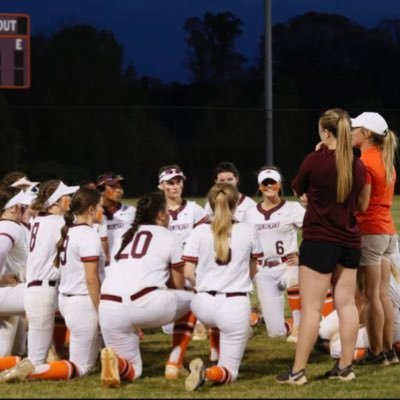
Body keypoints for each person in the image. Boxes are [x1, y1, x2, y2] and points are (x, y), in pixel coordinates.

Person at [276, 108, 368, 385]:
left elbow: (297, 189)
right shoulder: (357, 164)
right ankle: (345, 367)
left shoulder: (314, 160)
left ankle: (297, 371)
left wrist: (312, 197)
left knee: (312, 309)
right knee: (346, 305)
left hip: (319, 242)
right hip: (350, 242)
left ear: (325, 132)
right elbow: (362, 205)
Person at [98, 192, 194, 388]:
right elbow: (177, 283)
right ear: (160, 215)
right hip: (145, 302)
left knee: (133, 371)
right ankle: (175, 362)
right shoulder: (169, 235)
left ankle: (118, 363)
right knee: (195, 300)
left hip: (108, 306)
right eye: (167, 211)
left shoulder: (124, 235)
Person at [183, 183, 263, 392]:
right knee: (230, 372)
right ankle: (208, 372)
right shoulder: (247, 230)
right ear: (236, 204)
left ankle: (213, 355)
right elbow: (254, 270)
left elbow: (188, 272)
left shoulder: (199, 231)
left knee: (217, 323)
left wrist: (200, 287)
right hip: (234, 304)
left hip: (202, 305)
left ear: (210, 204)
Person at [0, 180, 79, 382]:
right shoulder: (14, 226)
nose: (69, 199)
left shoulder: (37, 222)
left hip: (33, 288)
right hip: (40, 290)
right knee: (41, 362)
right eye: (65, 196)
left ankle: (22, 365)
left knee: (16, 349)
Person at [351, 112, 399, 365]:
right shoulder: (385, 159)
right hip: (387, 232)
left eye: (354, 129)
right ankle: (389, 352)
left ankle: (376, 353)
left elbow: (362, 203)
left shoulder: (364, 163)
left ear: (366, 133)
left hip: (370, 232)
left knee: (370, 297)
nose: (350, 133)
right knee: (381, 295)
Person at [242, 167, 305, 342]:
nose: (269, 185)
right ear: (260, 186)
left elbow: (313, 231)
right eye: (265, 182)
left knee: (294, 279)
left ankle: (300, 326)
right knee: (276, 333)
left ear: (279, 184)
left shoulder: (293, 208)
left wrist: (303, 256)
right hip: (264, 269)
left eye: (273, 182)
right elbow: (245, 242)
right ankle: (290, 324)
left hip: (288, 264)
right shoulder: (250, 213)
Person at [157, 165, 208, 344]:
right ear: (161, 185)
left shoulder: (194, 209)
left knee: (198, 291)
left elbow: (206, 236)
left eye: (178, 181)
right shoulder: (157, 211)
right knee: (168, 328)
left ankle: (201, 322)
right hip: (166, 266)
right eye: (170, 182)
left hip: (191, 264)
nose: (175, 186)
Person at [0, 188, 33, 366]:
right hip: (4, 293)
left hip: (7, 292)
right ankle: (40, 358)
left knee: (5, 350)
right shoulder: (10, 226)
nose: (26, 208)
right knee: (44, 294)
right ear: (12, 208)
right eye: (23, 205)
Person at [95, 172, 136, 260]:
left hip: (124, 264)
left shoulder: (131, 211)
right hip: (100, 266)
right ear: (101, 189)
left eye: (120, 187)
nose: (119, 190)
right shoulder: (91, 214)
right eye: (113, 186)